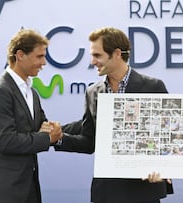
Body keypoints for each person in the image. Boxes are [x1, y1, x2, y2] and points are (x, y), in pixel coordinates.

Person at [54, 27, 173, 203]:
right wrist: (58, 138)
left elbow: (169, 137)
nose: (92, 61)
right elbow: (89, 141)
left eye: (97, 55)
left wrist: (164, 168)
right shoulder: (92, 92)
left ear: (116, 53)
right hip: (107, 192)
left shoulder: (153, 87)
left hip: (144, 190)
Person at [0, 29, 62, 203]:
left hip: (28, 189)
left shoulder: (32, 92)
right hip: (1, 193)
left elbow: (42, 127)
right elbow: (6, 141)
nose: (44, 63)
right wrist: (47, 138)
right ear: (20, 55)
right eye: (39, 57)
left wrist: (56, 130)